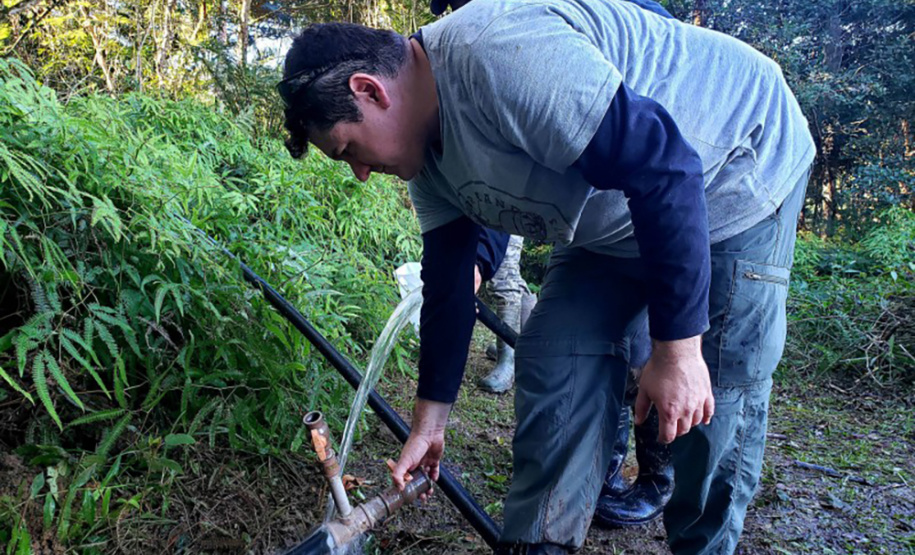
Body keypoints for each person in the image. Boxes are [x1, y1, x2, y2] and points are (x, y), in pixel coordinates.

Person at [277, 1, 815, 552]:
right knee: (555, 355)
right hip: (612, 215)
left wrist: (677, 351)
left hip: (732, 171)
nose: (361, 173)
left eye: (348, 150)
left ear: (371, 90)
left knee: (712, 401)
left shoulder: (499, 55)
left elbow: (665, 166)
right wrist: (429, 425)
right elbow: (448, 283)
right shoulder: (425, 154)